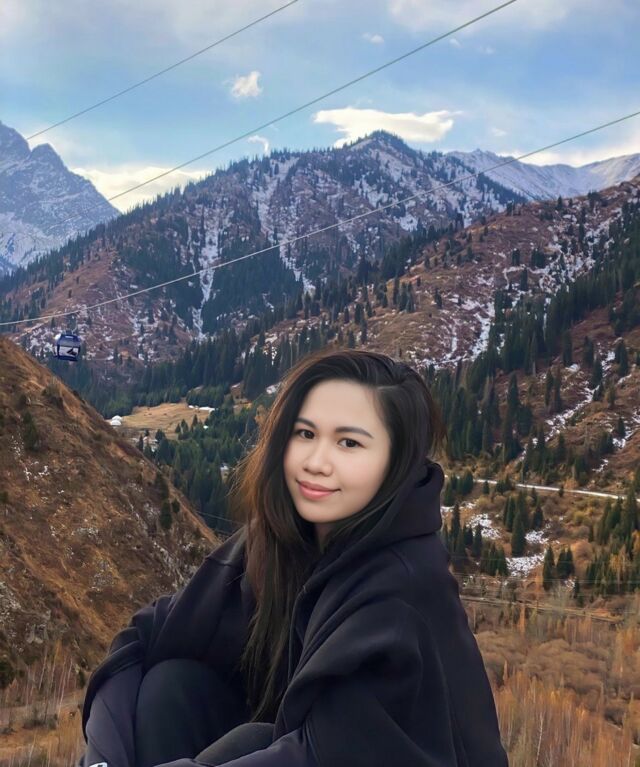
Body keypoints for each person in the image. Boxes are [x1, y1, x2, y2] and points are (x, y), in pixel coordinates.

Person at [78, 348, 509, 767]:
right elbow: (145, 640)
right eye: (305, 434)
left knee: (254, 740)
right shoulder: (279, 545)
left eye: (349, 443)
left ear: (397, 462)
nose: (316, 462)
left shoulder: (403, 591)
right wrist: (104, 758)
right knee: (172, 688)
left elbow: (323, 755)